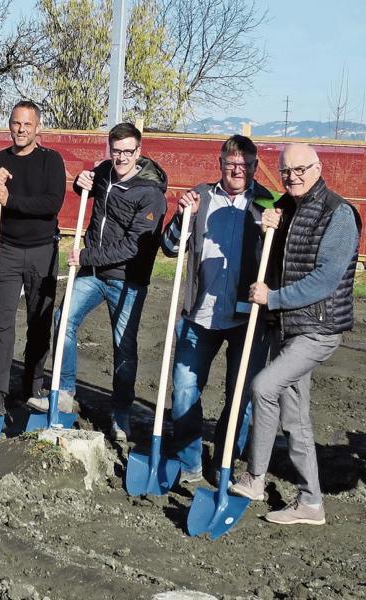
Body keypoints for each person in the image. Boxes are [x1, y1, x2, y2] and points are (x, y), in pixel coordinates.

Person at [230, 143, 361, 526]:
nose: (293, 177)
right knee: (295, 416)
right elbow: (270, 260)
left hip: (318, 328)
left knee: (264, 386)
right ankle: (311, 503)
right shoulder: (285, 208)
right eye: (286, 171)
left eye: (301, 169)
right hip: (288, 327)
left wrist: (273, 298)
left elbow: (325, 279)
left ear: (318, 168)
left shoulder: (339, 214)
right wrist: (263, 228)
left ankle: (255, 478)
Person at [162, 135, 278, 484]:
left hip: (248, 318)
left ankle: (225, 459)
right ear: (220, 164)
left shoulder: (266, 203)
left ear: (255, 167)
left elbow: (281, 259)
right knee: (184, 388)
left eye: (245, 165)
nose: (237, 170)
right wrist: (184, 217)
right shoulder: (199, 196)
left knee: (240, 394)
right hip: (200, 313)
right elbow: (169, 247)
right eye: (231, 164)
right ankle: (191, 462)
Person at [64, 122, 168, 441]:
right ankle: (65, 392)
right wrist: (81, 184)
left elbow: (131, 248)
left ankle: (121, 414)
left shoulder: (150, 194)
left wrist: (85, 256)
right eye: (116, 150)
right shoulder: (105, 171)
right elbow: (87, 191)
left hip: (127, 280)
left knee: (124, 348)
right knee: (63, 320)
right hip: (93, 276)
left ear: (139, 152)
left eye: (127, 152)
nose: (120, 157)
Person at [0, 101, 66, 416]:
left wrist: (11, 200)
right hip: (6, 249)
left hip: (42, 251)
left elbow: (52, 203)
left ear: (38, 128)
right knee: (0, 322)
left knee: (40, 321)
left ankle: (33, 385)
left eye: (27, 124)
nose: (21, 130)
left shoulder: (51, 161)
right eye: (15, 124)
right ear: (9, 126)